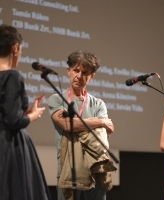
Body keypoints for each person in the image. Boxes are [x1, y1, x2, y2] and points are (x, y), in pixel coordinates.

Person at [0, 24, 51, 200]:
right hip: (12, 146)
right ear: (15, 47)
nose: (20, 54)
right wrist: (32, 115)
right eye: (20, 49)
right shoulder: (12, 76)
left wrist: (24, 113)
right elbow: (13, 121)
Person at [48, 50, 116, 200]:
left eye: (85, 72)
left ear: (92, 77)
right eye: (76, 70)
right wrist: (99, 122)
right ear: (68, 71)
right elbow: (67, 125)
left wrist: (80, 125)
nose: (79, 76)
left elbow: (102, 136)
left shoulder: (98, 104)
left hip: (96, 168)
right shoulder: (57, 99)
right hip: (68, 169)